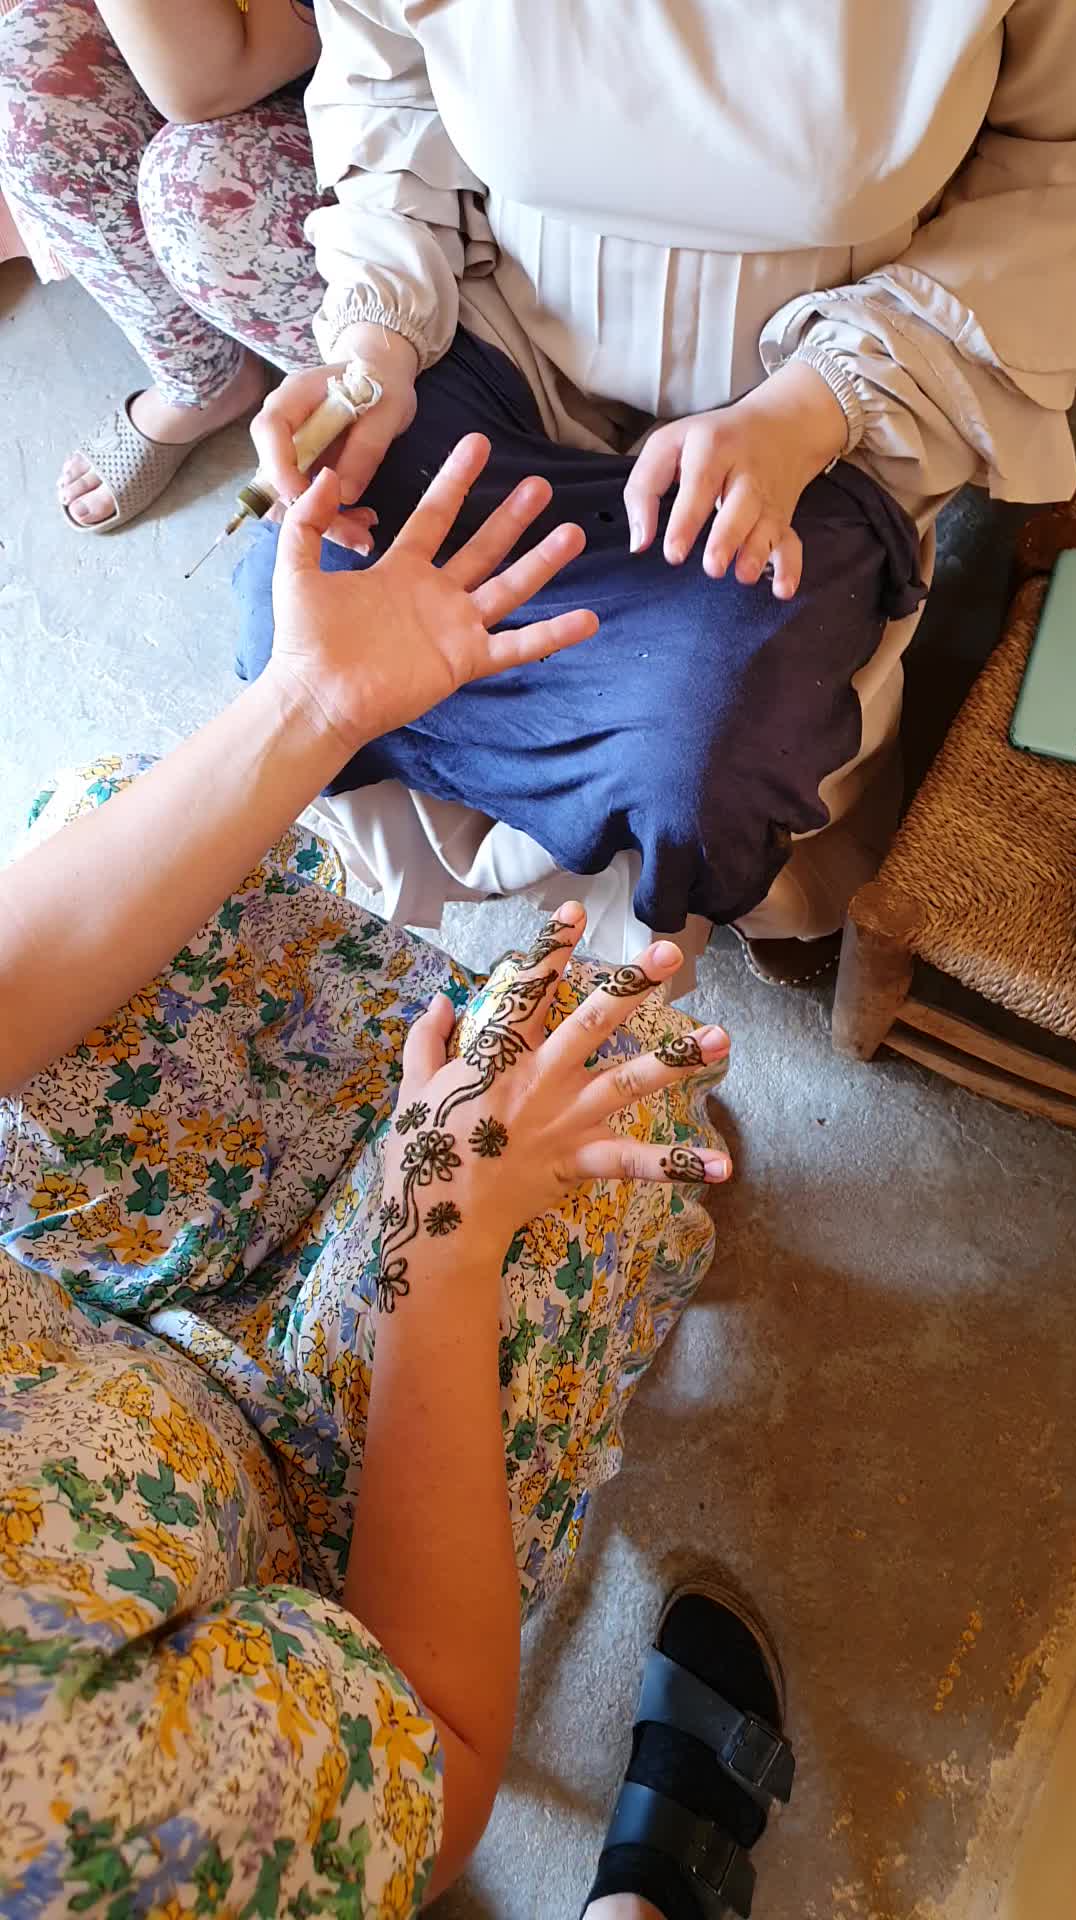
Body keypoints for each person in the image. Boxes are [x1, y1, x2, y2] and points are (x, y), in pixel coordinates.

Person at [0, 439, 794, 1917]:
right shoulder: (52, 1826)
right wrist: (440, 1227)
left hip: (73, 1323)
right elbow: (435, 1762)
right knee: (598, 1068)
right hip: (300, 1552)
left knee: (102, 826)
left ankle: (438, 1088)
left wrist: (308, 706)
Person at [234, 0, 1076, 986]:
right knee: (300, 604)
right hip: (504, 325)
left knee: (695, 742)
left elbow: (1053, 170)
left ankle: (695, 906)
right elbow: (388, 90)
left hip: (834, 374)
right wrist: (374, 341)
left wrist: (809, 410)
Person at [0, 0, 323, 531]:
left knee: (203, 190)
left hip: (402, 131)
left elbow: (202, 84)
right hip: (252, 59)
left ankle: (366, 383)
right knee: (26, 73)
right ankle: (204, 378)